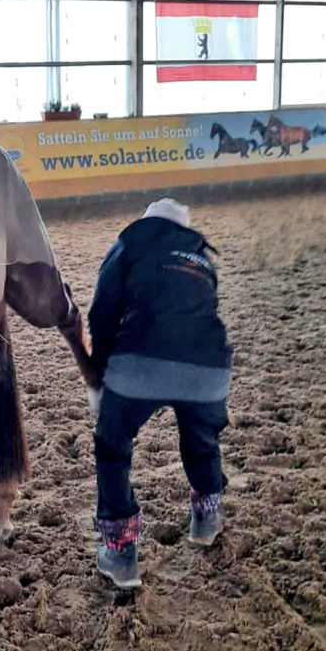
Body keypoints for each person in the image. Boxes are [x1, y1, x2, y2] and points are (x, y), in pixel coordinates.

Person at [87, 198, 232, 589]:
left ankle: (120, 555)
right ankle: (206, 519)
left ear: (146, 222)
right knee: (202, 438)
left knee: (113, 446)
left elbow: (102, 312)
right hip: (207, 365)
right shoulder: (203, 259)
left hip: (140, 362)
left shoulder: (128, 246)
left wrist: (100, 374)